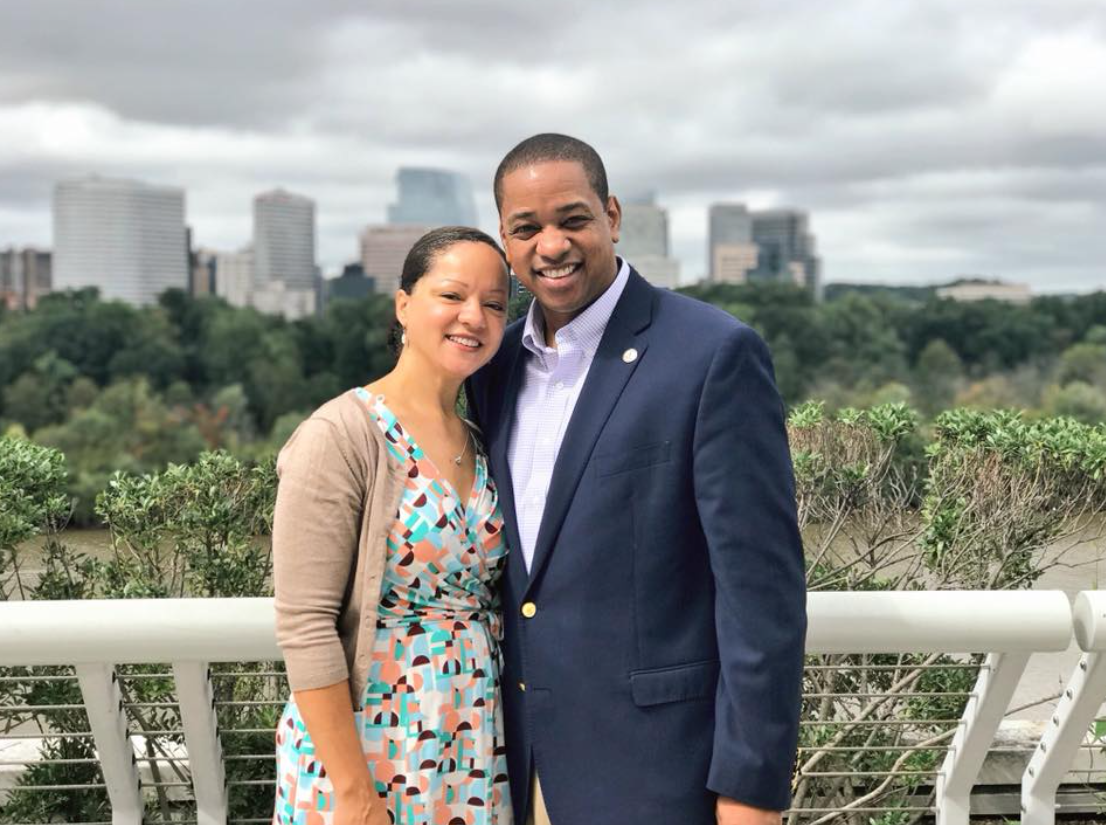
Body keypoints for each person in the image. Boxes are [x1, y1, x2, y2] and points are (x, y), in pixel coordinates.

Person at [465, 135, 807, 825]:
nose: (551, 244)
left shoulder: (712, 354)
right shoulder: (490, 366)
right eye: (526, 228)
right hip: (509, 770)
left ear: (612, 215)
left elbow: (760, 596)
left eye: (573, 219)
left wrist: (750, 788)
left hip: (660, 775)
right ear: (505, 237)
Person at [272, 226, 514, 825]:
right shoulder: (341, 435)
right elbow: (306, 627)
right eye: (452, 296)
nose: (473, 317)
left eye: (493, 304)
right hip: (370, 751)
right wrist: (354, 795)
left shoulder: (483, 442)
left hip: (472, 742)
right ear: (404, 304)